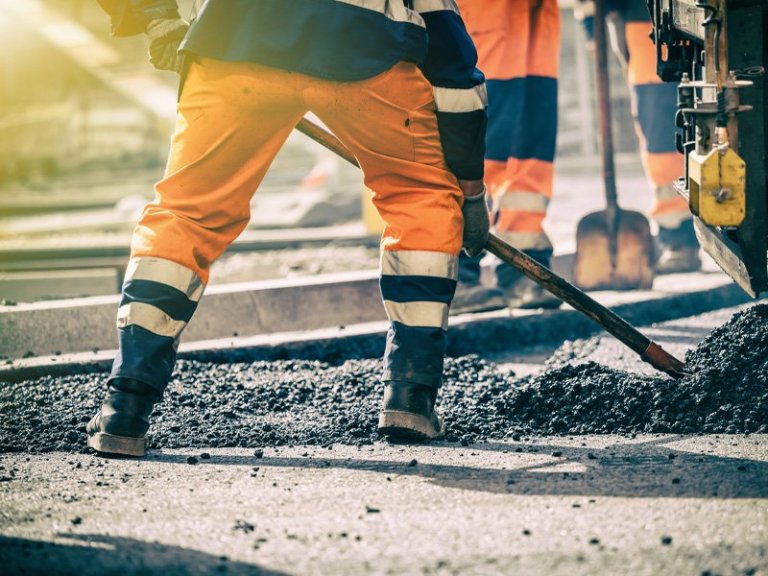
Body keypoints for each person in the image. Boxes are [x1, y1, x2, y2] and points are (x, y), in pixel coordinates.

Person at [88, 0, 490, 456]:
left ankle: (126, 404)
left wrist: (153, 16)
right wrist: (469, 189)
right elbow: (454, 68)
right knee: (419, 199)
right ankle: (411, 398)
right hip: (364, 48)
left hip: (234, 38)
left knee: (187, 213)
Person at [451, 0, 562, 314]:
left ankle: (523, 265)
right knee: (479, 128)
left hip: (533, 9)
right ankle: (453, 274)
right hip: (482, 9)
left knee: (530, 142)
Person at [576, 0, 700, 272]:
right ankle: (677, 235)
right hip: (646, 19)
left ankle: (729, 233)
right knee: (661, 132)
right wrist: (591, 21)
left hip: (715, 18)